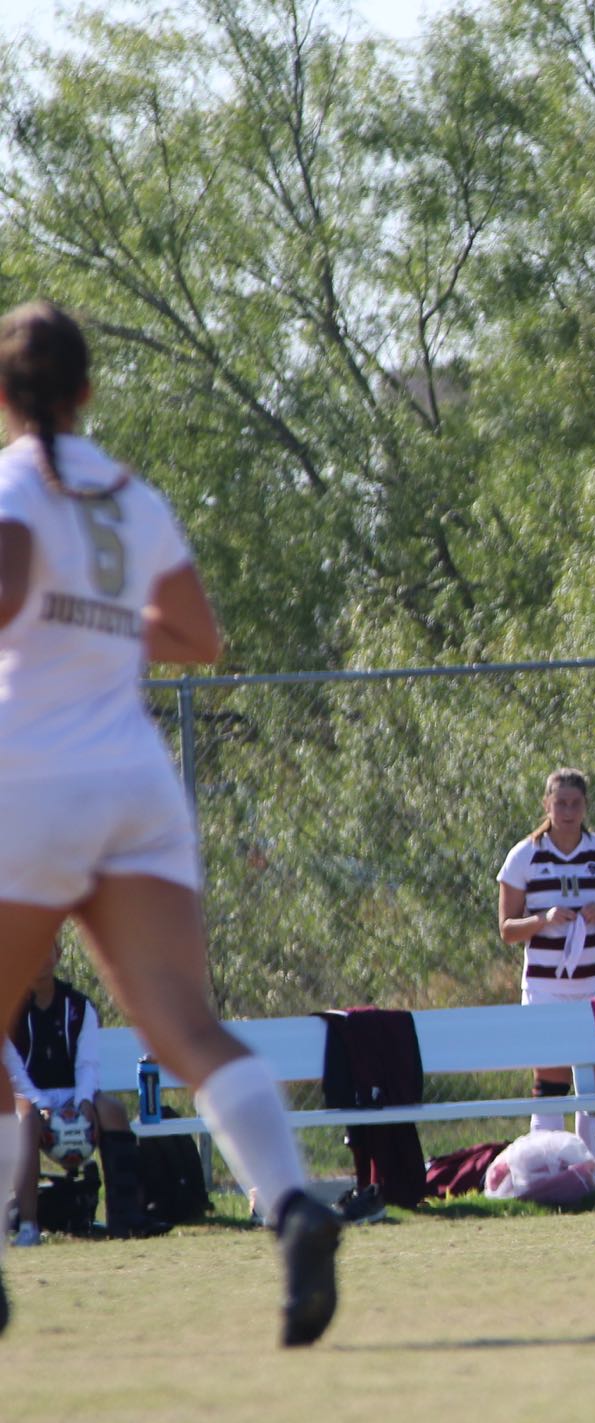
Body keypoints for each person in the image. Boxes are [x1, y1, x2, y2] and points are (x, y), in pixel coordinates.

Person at [0, 299, 338, 1344]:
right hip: (136, 779)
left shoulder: (13, 482)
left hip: (33, 773)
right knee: (186, 1027)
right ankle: (291, 1202)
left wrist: (51, 616)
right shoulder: (131, 494)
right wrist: (96, 620)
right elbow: (197, 636)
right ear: (88, 391)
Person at [496, 768, 595, 1152]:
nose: (568, 811)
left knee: (593, 1083)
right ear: (547, 805)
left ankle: (591, 1173)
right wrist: (543, 919)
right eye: (560, 803)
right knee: (551, 1082)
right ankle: (546, 1169)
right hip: (546, 986)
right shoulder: (524, 855)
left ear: (586, 806)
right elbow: (507, 929)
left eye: (576, 803)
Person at [8, 937, 160, 1241]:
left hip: (71, 1093)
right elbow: (11, 1069)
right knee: (25, 1120)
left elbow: (87, 1063)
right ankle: (28, 1226)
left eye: (46, 949)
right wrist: (40, 1103)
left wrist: (84, 1100)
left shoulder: (79, 1006)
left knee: (114, 1111)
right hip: (28, 1096)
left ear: (58, 954)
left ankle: (125, 1217)